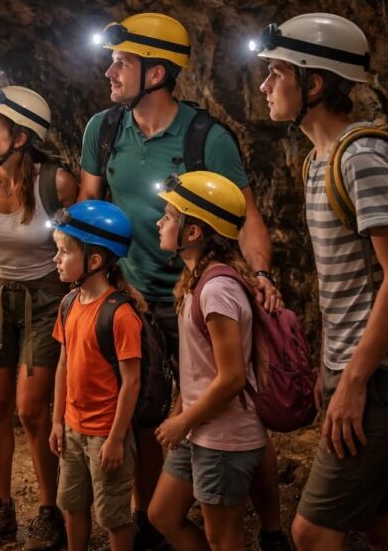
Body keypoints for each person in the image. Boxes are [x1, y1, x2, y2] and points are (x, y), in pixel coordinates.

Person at [80, 12, 286, 550]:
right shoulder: (102, 131)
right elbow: (89, 207)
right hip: (139, 302)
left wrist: (260, 274)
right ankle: (152, 520)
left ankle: (270, 529)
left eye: (121, 61)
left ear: (156, 72)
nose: (109, 71)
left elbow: (247, 216)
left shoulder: (205, 138)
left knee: (242, 411)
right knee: (148, 413)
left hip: (199, 297)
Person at [255, 12, 388, 549]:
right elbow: (341, 282)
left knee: (312, 531)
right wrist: (328, 364)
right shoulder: (320, 160)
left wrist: (355, 381)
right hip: (360, 367)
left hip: (383, 375)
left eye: (276, 72)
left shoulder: (362, 157)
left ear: (312, 83)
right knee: (386, 524)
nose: (265, 85)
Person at [0, 84, 78, 550]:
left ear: (20, 138)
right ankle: (2, 507)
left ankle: (52, 511)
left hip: (45, 301)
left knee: (31, 410)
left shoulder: (57, 182)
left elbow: (82, 243)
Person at [147, 170, 267, 550]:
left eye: (169, 215)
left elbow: (231, 378)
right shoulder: (197, 282)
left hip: (223, 436)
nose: (159, 222)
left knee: (223, 538)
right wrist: (182, 410)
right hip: (199, 425)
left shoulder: (216, 290)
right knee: (162, 514)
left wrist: (183, 420)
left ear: (194, 232)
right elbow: (201, 366)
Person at [49, 200, 143, 550]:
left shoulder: (119, 316)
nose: (55, 259)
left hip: (105, 433)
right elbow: (63, 365)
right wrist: (57, 421)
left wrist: (117, 437)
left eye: (63, 252)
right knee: (72, 505)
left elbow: (131, 381)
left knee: (113, 516)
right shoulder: (69, 303)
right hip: (73, 429)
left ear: (94, 261)